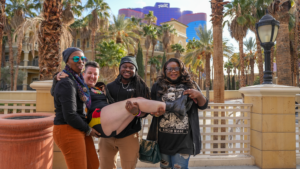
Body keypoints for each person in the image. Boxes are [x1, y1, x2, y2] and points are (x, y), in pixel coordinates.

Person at [99, 55, 159, 169]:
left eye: (131, 67)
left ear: (135, 70)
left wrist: (136, 113)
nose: (127, 69)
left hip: (129, 135)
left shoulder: (141, 87)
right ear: (120, 68)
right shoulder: (110, 87)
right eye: (124, 66)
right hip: (107, 137)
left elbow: (145, 113)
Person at [148, 58, 208, 169]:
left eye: (176, 68)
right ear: (165, 71)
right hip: (163, 140)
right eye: (169, 69)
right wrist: (155, 112)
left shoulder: (190, 85)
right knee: (165, 168)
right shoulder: (157, 86)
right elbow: (152, 108)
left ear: (181, 70)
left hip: (184, 141)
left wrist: (199, 95)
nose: (173, 71)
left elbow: (203, 105)